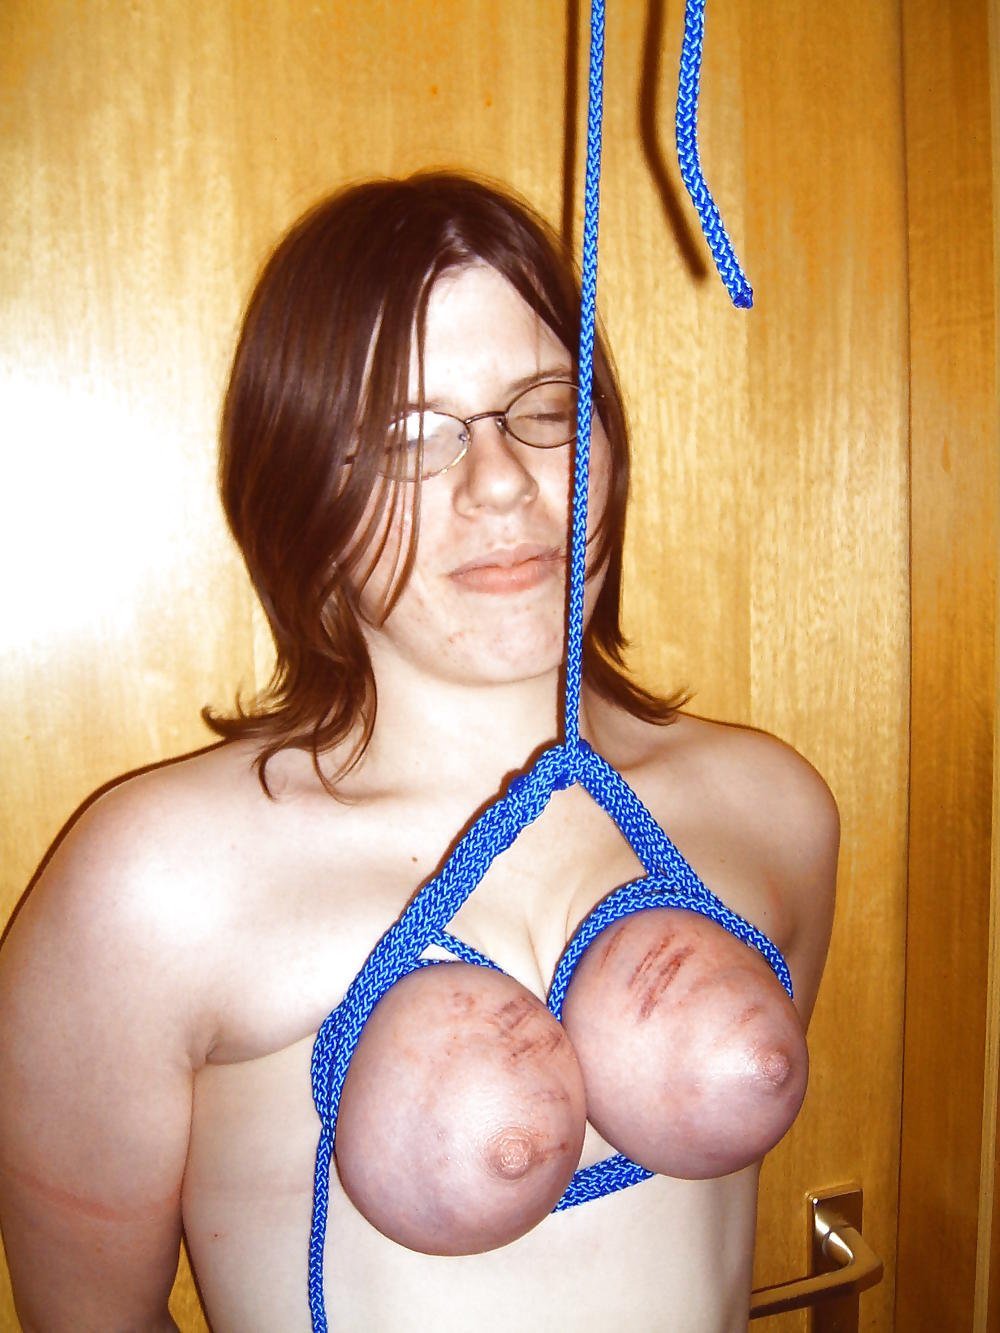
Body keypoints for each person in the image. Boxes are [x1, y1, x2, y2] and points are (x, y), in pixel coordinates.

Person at [0, 172, 838, 1332]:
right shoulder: (152, 887)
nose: (499, 481)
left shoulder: (772, 808)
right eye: (404, 436)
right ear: (300, 487)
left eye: (545, 406)